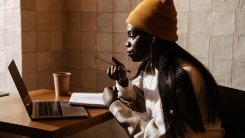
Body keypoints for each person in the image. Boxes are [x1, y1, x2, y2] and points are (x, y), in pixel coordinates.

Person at [102, 0, 225, 137]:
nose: (127, 43)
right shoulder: (152, 68)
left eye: (132, 36)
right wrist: (123, 81)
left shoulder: (182, 77)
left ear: (154, 37)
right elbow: (142, 100)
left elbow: (158, 136)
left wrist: (114, 105)